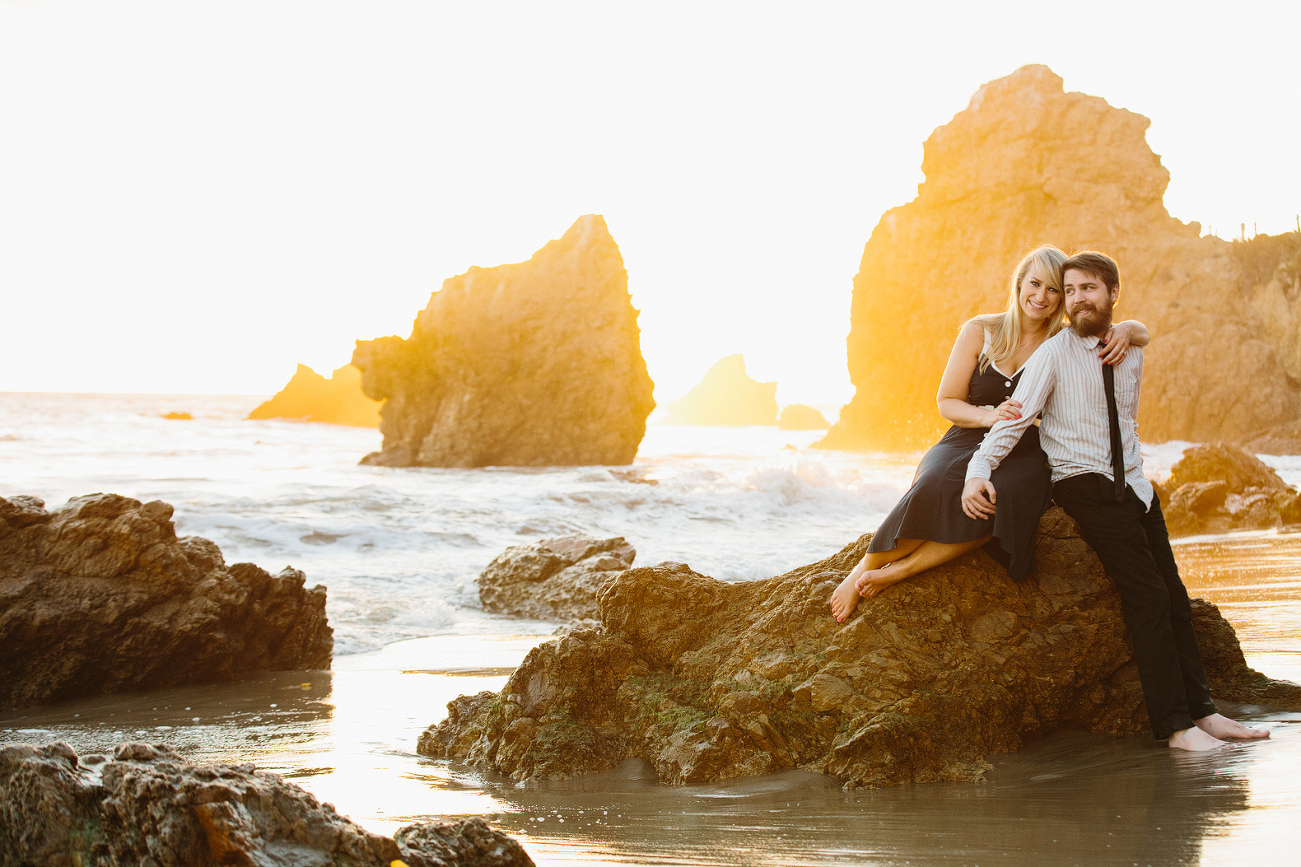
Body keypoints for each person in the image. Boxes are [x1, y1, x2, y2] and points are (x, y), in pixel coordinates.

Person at [961, 251, 1270, 751]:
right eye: (1073, 290)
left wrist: (1133, 330)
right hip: (1083, 482)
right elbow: (1014, 421)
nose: (1079, 299)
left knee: (1174, 597)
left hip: (1135, 486)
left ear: (1112, 294)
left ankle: (1206, 714)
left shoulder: (1130, 346)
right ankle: (1175, 728)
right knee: (1145, 596)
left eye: (1090, 289)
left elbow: (1126, 416)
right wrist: (977, 471)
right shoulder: (1053, 354)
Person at [829, 246, 1147, 622]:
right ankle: (860, 572)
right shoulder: (980, 330)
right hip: (964, 435)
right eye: (1034, 284)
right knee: (934, 483)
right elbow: (947, 400)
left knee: (1007, 500)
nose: (1041, 297)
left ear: (1063, 298)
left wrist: (1128, 329)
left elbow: (1136, 332)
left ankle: (901, 570)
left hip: (1026, 445)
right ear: (1018, 284)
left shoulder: (1064, 341)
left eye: (1053, 290)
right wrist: (988, 416)